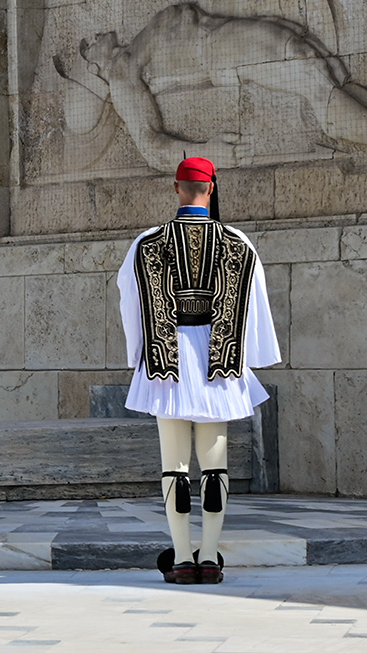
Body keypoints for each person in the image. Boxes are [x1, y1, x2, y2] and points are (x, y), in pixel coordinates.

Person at [116, 157, 281, 584]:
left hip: (167, 360)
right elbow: (255, 305)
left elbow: (130, 302)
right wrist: (248, 356)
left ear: (177, 188)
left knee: (173, 466)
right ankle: (209, 557)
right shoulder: (238, 242)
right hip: (218, 362)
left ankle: (181, 558)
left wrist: (139, 355)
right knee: (215, 465)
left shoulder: (147, 243)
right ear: (212, 187)